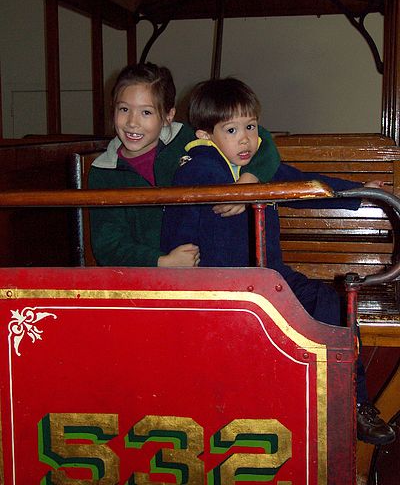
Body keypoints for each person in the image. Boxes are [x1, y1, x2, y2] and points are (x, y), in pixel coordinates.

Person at [161, 77, 396, 446]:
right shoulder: (197, 169)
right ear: (206, 135)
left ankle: (355, 403)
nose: (245, 139)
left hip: (272, 279)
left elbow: (305, 186)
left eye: (251, 127)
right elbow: (179, 225)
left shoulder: (256, 166)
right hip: (225, 288)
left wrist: (360, 191)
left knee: (332, 305)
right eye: (232, 130)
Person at [88, 63, 280, 268]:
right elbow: (109, 245)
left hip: (210, 266)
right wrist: (161, 261)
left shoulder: (189, 140)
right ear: (113, 108)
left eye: (146, 113)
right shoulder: (104, 172)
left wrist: (248, 181)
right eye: (124, 109)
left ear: (168, 116)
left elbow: (262, 140)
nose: (132, 122)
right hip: (146, 281)